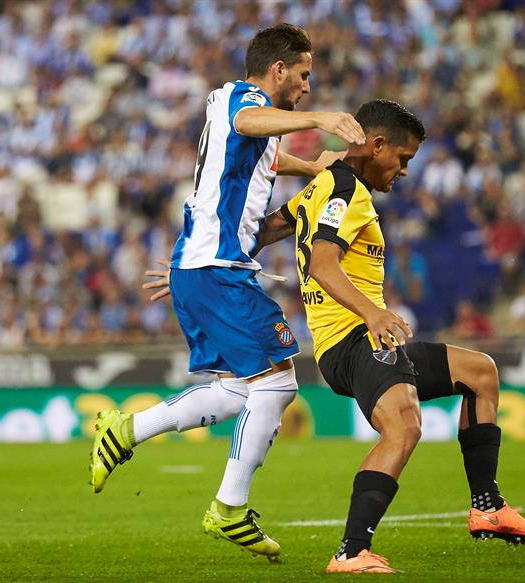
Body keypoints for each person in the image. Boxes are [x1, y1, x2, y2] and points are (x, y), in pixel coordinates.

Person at [89, 23, 366, 562]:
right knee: (279, 381)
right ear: (278, 68)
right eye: (304, 76)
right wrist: (320, 120)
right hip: (213, 267)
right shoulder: (244, 98)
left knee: (242, 391)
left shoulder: (247, 118)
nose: (308, 87)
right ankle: (229, 508)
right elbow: (249, 120)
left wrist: (309, 166)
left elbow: (258, 150)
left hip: (204, 265)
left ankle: (125, 430)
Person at [258, 100, 525, 573]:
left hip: (359, 339)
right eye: (403, 158)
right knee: (405, 426)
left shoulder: (325, 186)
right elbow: (322, 263)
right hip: (353, 340)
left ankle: (488, 506)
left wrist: (204, 266)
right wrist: (373, 312)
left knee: (480, 372)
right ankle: (351, 552)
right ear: (375, 145)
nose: (404, 171)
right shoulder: (345, 190)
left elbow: (274, 226)